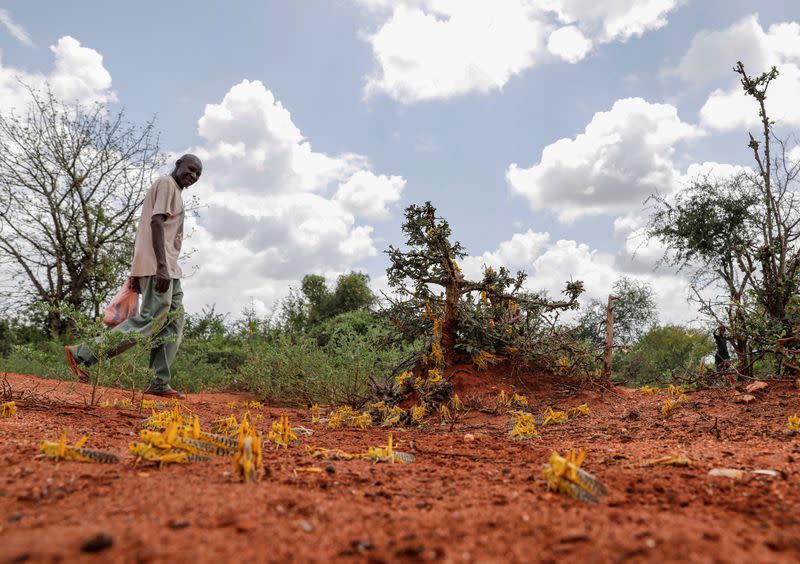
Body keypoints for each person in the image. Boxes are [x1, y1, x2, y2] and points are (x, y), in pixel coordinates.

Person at [65, 154, 203, 399]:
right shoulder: (166, 184)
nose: (192, 176)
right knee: (151, 319)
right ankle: (83, 354)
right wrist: (159, 266)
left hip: (169, 268)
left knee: (174, 322)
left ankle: (158, 382)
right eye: (190, 170)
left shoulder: (175, 192)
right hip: (158, 267)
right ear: (178, 164)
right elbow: (156, 223)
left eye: (197, 175)